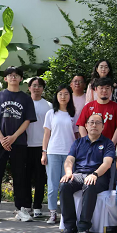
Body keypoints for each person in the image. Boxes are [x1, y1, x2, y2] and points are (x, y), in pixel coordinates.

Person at [0, 66, 37, 223]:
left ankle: (21, 209)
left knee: (20, 177)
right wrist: (2, 138)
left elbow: (27, 120)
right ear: (5, 78)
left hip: (18, 143)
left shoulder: (26, 99)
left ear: (21, 79)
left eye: (16, 75)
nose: (13, 77)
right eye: (10, 75)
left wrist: (13, 137)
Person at [59, 114, 115, 233]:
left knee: (89, 185)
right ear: (86, 125)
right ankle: (69, 226)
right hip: (79, 174)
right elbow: (69, 160)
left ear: (103, 127)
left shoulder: (108, 143)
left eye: (98, 123)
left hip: (99, 176)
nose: (94, 125)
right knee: (64, 185)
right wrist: (68, 173)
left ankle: (83, 227)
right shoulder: (78, 142)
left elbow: (107, 163)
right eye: (91, 122)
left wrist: (95, 174)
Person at [41, 85, 76, 224]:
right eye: (60, 94)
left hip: (69, 154)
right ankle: (52, 213)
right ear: (56, 96)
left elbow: (77, 135)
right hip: (53, 152)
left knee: (66, 185)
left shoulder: (74, 114)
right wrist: (44, 152)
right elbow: (46, 135)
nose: (63, 97)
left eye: (66, 94)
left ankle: (65, 213)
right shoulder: (51, 113)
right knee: (52, 184)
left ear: (70, 96)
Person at [26, 77, 52, 218]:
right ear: (29, 87)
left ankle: (37, 207)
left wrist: (46, 149)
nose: (37, 88)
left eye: (40, 86)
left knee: (40, 178)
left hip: (41, 147)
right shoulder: (24, 103)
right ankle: (26, 206)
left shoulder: (48, 105)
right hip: (24, 145)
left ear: (43, 89)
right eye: (34, 85)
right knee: (25, 178)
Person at [76, 78, 117, 146]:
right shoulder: (88, 106)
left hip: (109, 146)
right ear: (96, 89)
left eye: (107, 88)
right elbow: (81, 125)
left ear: (111, 90)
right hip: (91, 146)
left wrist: (111, 145)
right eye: (101, 88)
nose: (104, 90)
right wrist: (87, 143)